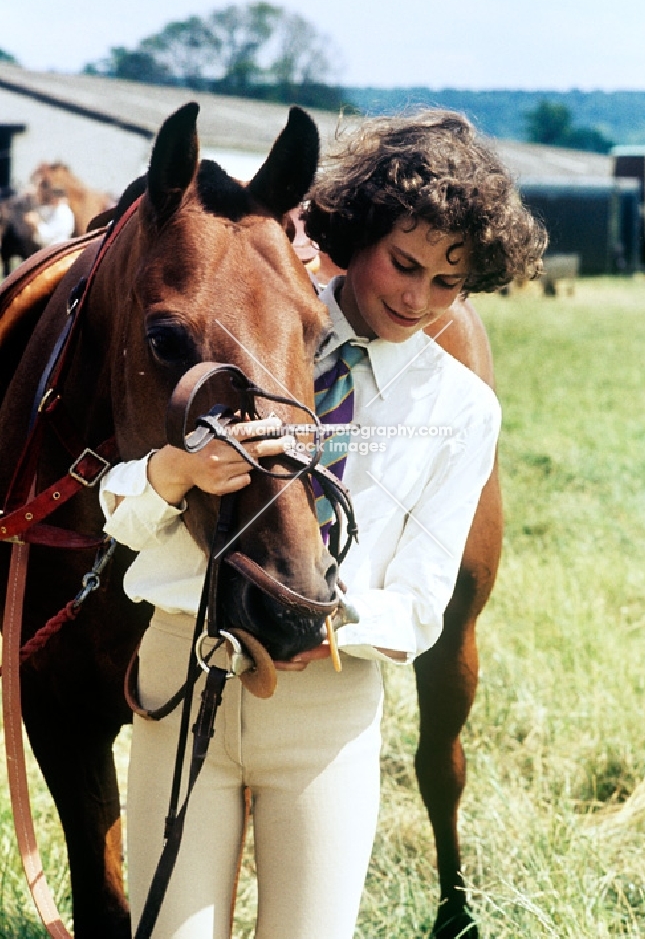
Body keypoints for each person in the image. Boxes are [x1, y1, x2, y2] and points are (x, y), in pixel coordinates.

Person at [99, 109, 546, 939]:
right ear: (357, 236)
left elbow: (419, 607)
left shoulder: (458, 410)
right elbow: (120, 516)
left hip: (324, 703)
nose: (417, 299)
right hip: (181, 671)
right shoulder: (254, 319)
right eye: (403, 265)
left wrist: (319, 610)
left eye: (448, 284)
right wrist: (173, 474)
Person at [23, 179, 75, 248]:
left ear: (56, 198)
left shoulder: (62, 213)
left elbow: (48, 235)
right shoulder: (57, 210)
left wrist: (36, 224)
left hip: (56, 249)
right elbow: (43, 210)